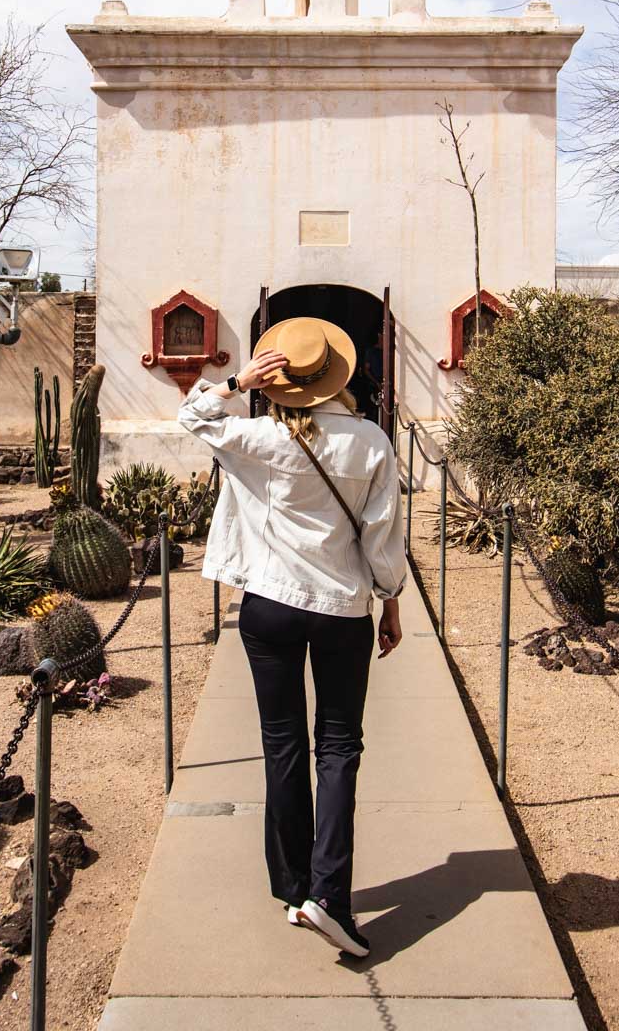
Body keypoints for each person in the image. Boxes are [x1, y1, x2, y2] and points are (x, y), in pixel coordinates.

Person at [178, 315, 406, 958]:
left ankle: (293, 886)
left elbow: (193, 419)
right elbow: (383, 536)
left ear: (280, 380)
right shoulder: (371, 444)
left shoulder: (255, 437)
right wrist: (389, 603)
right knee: (338, 748)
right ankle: (329, 896)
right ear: (336, 376)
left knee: (281, 745)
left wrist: (234, 381)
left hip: (270, 608)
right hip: (340, 610)